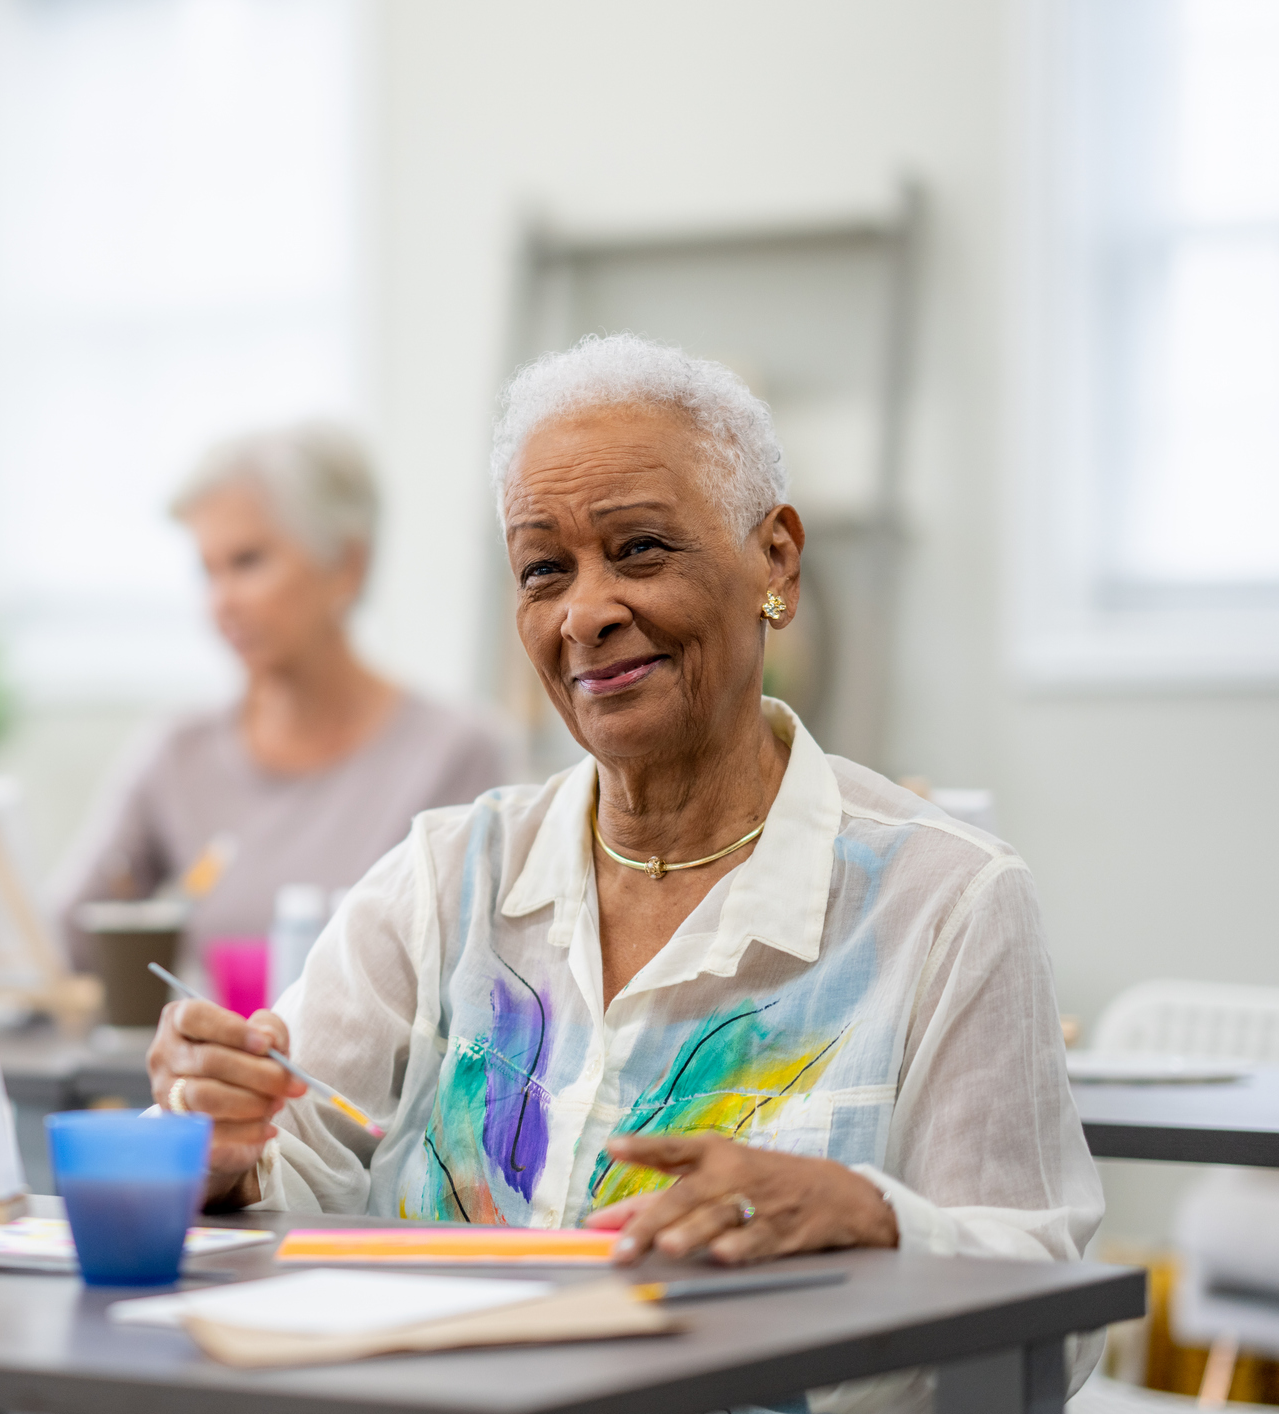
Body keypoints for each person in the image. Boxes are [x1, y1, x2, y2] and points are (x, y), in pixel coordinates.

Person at [145, 336, 1103, 1411]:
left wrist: (875, 1216)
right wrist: (224, 1152)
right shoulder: (445, 876)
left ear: (776, 562)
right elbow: (290, 1172)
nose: (584, 613)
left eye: (640, 549)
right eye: (543, 568)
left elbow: (1046, 1331)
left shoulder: (947, 903)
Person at [53, 423, 509, 966]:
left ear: (346, 566)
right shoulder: (177, 754)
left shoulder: (459, 755)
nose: (220, 602)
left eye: (247, 562)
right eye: (207, 571)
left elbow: (484, 973)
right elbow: (62, 938)